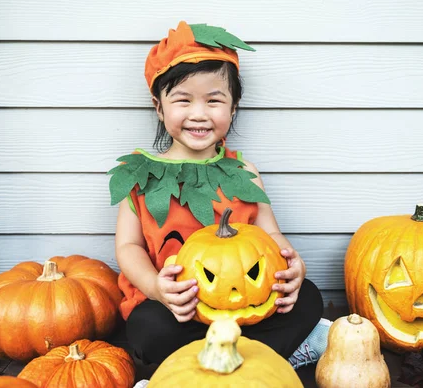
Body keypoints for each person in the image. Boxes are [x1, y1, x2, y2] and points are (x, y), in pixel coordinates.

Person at [109, 21, 331, 370]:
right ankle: (262, 359)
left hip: (245, 306)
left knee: (309, 298)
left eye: (214, 100)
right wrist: (155, 289)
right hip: (177, 310)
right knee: (146, 328)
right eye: (183, 100)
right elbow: (128, 247)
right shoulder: (138, 177)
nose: (199, 114)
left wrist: (292, 266)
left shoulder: (244, 173)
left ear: (233, 106)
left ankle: (228, 363)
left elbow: (270, 235)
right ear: (158, 106)